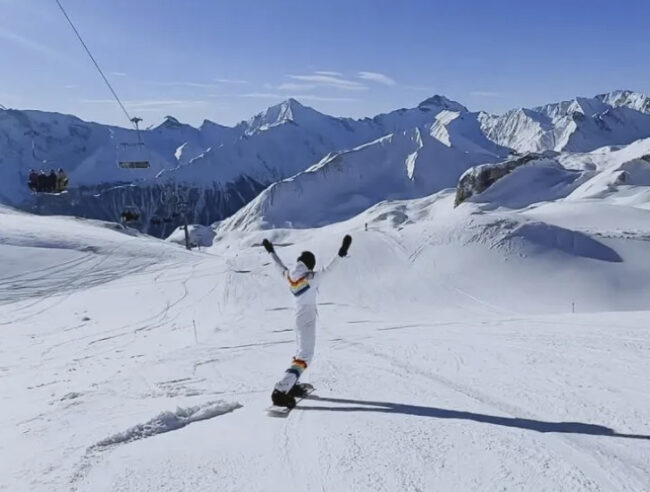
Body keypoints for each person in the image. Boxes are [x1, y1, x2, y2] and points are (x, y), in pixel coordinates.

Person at [262, 234, 352, 408]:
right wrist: (341, 253)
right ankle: (281, 390)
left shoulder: (289, 275)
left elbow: (278, 265)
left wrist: (270, 251)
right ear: (310, 264)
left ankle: (291, 384)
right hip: (307, 319)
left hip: (298, 318)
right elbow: (329, 269)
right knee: (305, 357)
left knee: (299, 353)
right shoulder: (310, 279)